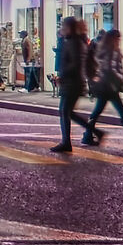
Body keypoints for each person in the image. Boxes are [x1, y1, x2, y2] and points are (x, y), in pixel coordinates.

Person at [49, 16, 91, 153]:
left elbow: (74, 63)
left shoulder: (74, 42)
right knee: (67, 112)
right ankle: (92, 131)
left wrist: (63, 75)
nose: (62, 28)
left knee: (65, 111)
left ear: (69, 27)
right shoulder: (73, 41)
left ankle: (67, 142)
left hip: (72, 82)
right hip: (73, 81)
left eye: (64, 26)